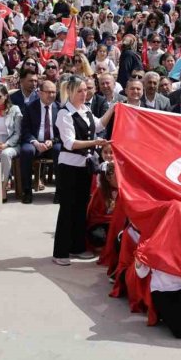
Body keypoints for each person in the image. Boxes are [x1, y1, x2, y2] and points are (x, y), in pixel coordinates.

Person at [52, 75, 114, 265]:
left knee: (80, 208)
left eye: (85, 90)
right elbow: (70, 143)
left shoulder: (85, 109)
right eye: (79, 91)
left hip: (83, 166)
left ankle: (77, 246)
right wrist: (95, 142)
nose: (83, 94)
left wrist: (113, 108)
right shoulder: (64, 114)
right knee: (67, 209)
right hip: (69, 166)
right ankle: (60, 252)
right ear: (70, 92)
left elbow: (99, 124)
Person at [20, 80, 61, 204]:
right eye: (48, 92)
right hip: (34, 143)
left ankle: (59, 191)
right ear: (40, 93)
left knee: (60, 150)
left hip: (53, 143)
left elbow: (62, 133)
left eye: (54, 92)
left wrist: (52, 141)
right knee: (26, 151)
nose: (51, 95)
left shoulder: (59, 108)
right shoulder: (30, 107)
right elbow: (25, 130)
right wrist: (35, 143)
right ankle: (27, 191)